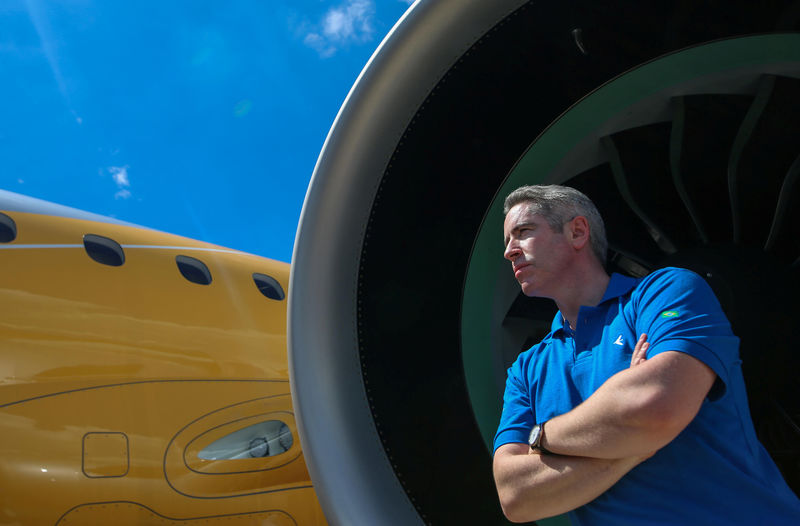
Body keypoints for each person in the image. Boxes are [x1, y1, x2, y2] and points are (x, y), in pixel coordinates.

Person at [492, 184, 800, 525]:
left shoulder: (665, 292)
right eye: (507, 241)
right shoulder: (527, 368)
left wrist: (541, 438)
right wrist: (632, 447)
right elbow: (515, 497)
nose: (509, 252)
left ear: (577, 232)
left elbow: (655, 408)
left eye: (522, 232)